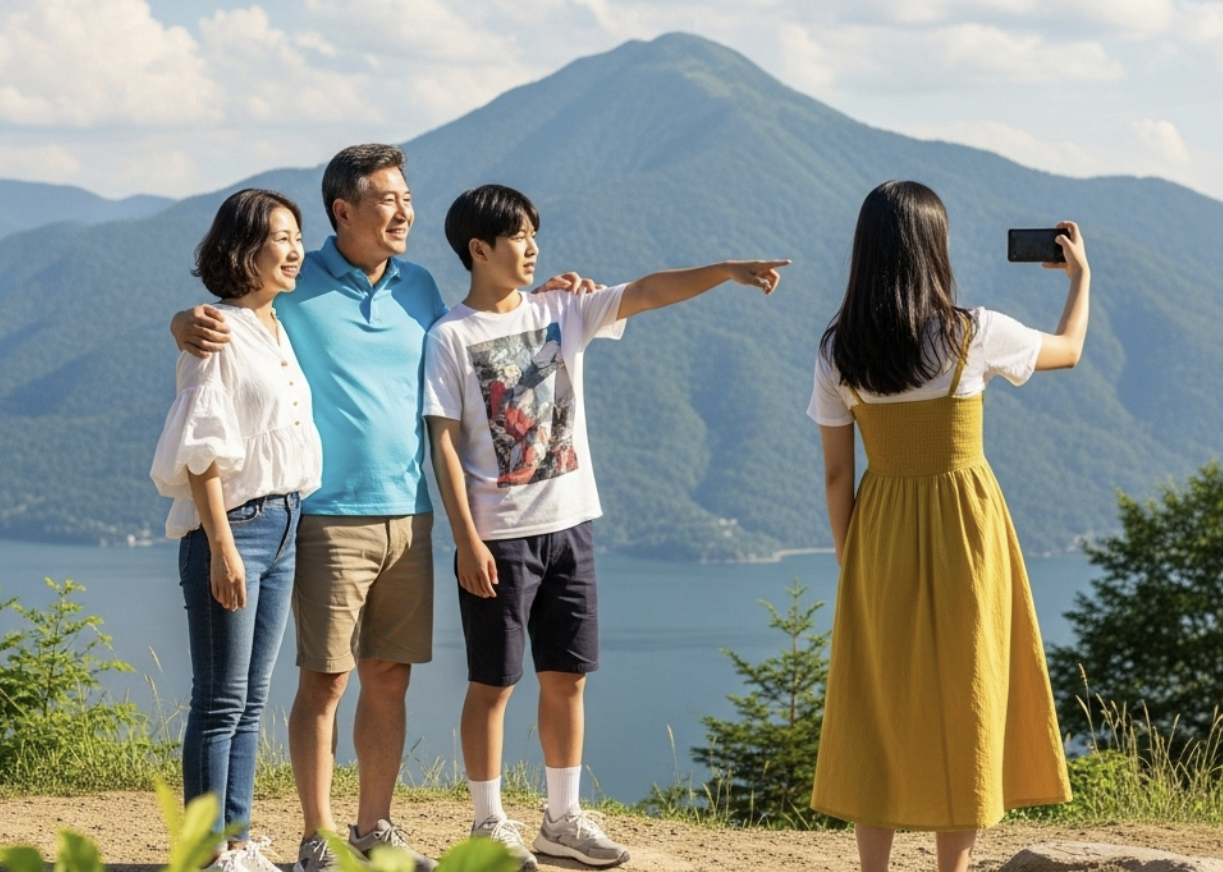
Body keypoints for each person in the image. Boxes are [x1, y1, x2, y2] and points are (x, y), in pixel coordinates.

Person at [171, 146, 593, 872]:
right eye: (389, 199)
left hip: (411, 511)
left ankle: (373, 829)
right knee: (326, 681)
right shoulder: (296, 283)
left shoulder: (419, 286)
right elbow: (234, 316)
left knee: (389, 675)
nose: (406, 212)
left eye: (408, 198)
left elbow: (481, 329)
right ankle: (318, 836)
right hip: (325, 515)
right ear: (344, 210)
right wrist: (183, 321)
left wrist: (546, 299)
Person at [423, 184, 788, 870]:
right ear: (479, 248)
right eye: (519, 236)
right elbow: (441, 440)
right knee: (493, 684)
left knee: (568, 677)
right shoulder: (450, 336)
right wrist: (466, 538)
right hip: (498, 538)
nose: (533, 247)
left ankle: (561, 819)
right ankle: (488, 823)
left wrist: (726, 271)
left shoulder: (562, 309)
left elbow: (647, 291)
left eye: (535, 233)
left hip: (571, 527)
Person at [807, 181, 1089, 872]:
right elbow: (1069, 348)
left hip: (880, 532)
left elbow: (838, 475)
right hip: (967, 530)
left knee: (879, 701)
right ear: (934, 249)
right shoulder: (973, 332)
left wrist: (852, 557)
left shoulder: (839, 350)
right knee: (966, 693)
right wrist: (1080, 278)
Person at [151, 189, 322, 872]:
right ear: (244, 247)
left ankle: (238, 842)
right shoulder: (215, 332)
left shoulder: (275, 326)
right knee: (220, 701)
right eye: (282, 238)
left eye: (298, 237)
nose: (296, 250)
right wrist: (222, 547)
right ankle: (204, 850)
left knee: (250, 701)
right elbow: (202, 451)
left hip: (284, 523)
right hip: (237, 530)